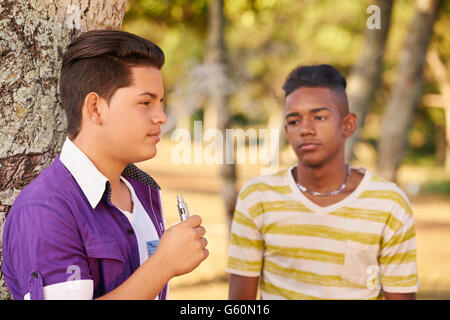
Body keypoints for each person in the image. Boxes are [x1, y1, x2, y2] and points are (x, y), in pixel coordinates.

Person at [2, 30, 209, 300]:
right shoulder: (45, 208)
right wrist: (164, 265)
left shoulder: (142, 191)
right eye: (145, 102)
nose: (160, 117)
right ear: (95, 108)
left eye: (160, 103)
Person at [226, 64, 419, 300]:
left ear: (347, 125)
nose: (305, 129)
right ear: (287, 130)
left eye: (319, 117)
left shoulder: (389, 204)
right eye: (294, 121)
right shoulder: (258, 198)